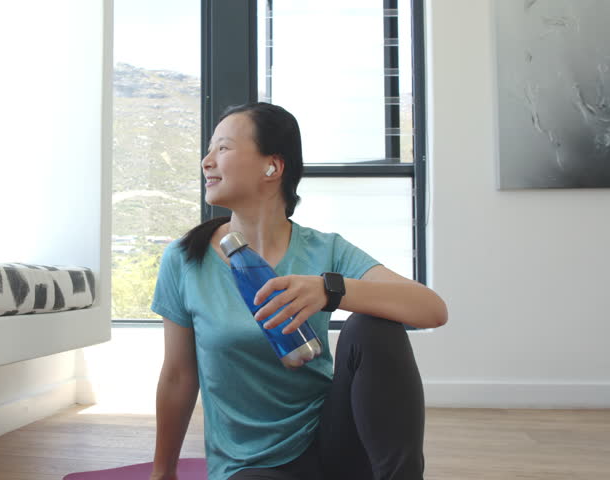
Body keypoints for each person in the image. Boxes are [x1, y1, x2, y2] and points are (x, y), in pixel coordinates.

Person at [148, 102, 448, 480]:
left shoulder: (325, 251)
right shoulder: (185, 260)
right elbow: (177, 376)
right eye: (210, 150)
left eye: (222, 148)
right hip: (251, 465)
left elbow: (431, 309)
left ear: (272, 166)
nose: (207, 162)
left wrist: (329, 291)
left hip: (333, 444)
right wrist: (162, 473)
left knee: (373, 328)